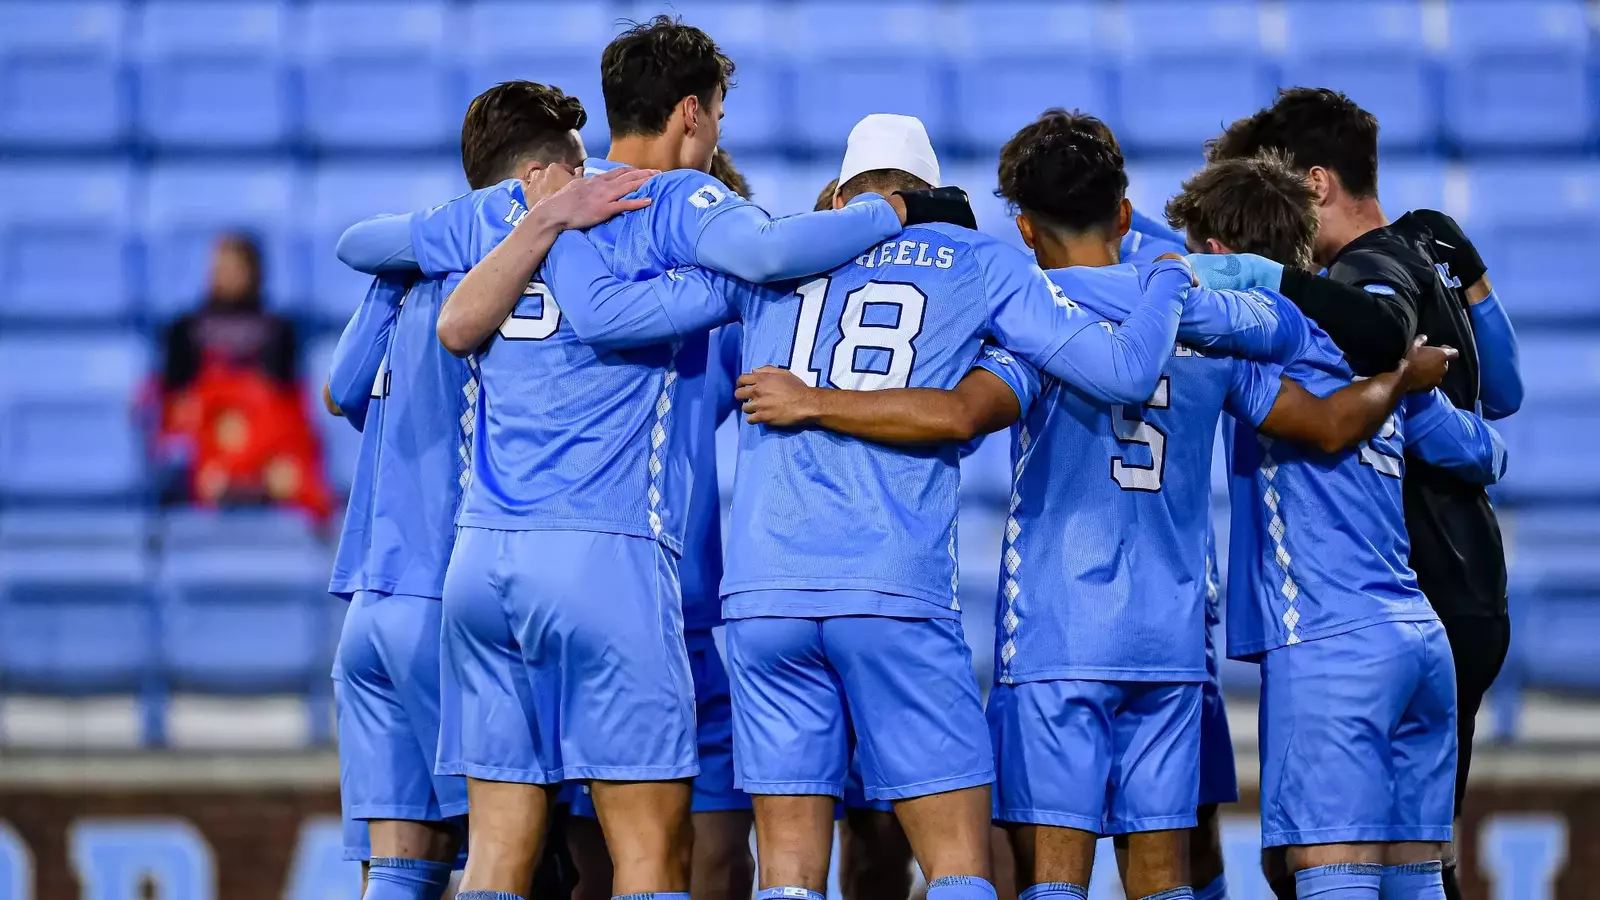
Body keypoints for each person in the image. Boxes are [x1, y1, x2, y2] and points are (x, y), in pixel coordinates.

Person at [731, 116, 1450, 900]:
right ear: (1122, 214)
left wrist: (814, 401)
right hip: (1169, 642)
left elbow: (962, 411)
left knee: (1052, 879)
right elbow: (1328, 419)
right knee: (1163, 877)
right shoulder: (1201, 329)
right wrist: (1397, 383)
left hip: (1054, 636)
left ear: (1025, 229)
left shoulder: (1029, 325)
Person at [350, 17, 915, 898]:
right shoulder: (676, 199)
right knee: (649, 856)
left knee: (498, 858)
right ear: (691, 110)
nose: (718, 133)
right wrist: (885, 211)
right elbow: (766, 254)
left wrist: (544, 220)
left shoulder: (516, 204)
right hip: (605, 558)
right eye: (719, 113)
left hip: (481, 561)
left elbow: (369, 247)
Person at [1202, 88, 1523, 900]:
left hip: (1331, 640)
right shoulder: (1392, 346)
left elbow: (1329, 403)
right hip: (1422, 633)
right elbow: (1488, 440)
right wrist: (1412, 376)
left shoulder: (1283, 323)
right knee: (1415, 875)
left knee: (1323, 871)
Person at [326, 80, 614, 900]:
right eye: (577, 170)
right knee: (520, 863)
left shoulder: (402, 270)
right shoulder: (525, 262)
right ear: (536, 177)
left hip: (369, 612)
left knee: (400, 870)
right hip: (450, 602)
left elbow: (340, 392)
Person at [562, 146, 756, 900]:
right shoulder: (592, 304)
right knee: (594, 861)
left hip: (693, 618)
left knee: (713, 858)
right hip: (611, 608)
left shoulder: (729, 315)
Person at [158, 232, 330, 519]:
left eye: (233, 268)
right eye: (218, 268)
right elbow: (174, 401)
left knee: (287, 454)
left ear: (254, 271)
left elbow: (285, 403)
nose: (223, 275)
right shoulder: (183, 329)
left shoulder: (279, 330)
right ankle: (238, 482)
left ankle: (252, 483)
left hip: (266, 433)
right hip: (208, 432)